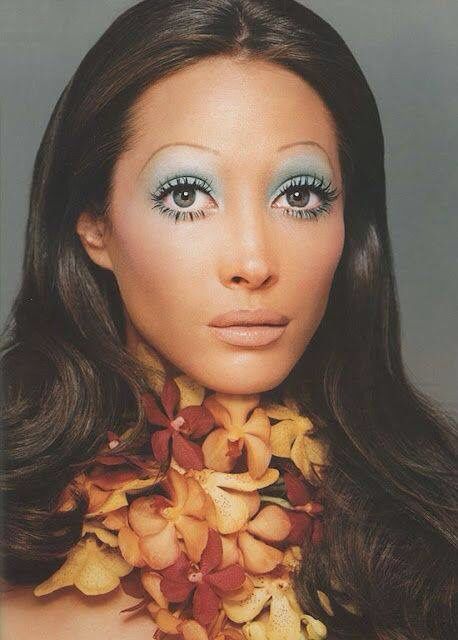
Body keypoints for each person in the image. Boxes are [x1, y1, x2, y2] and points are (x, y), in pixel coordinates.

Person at [1, 1, 456, 639]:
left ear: (349, 223)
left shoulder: (434, 537)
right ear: (94, 225)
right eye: (186, 194)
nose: (253, 262)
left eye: (299, 195)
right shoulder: (19, 548)